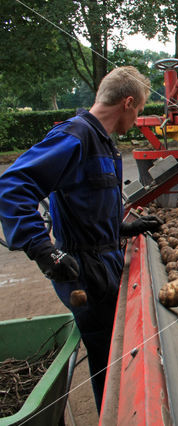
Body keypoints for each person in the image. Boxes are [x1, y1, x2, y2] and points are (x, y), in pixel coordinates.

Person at [0, 66, 162, 411]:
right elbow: (12, 188)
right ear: (128, 102)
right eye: (140, 110)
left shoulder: (103, 143)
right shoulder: (74, 137)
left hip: (104, 261)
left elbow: (85, 203)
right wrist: (44, 251)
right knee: (108, 358)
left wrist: (121, 228)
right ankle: (114, 412)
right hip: (83, 272)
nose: (137, 119)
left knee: (116, 349)